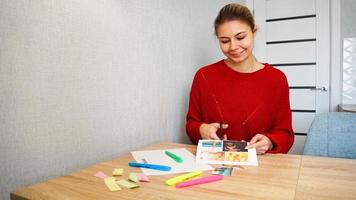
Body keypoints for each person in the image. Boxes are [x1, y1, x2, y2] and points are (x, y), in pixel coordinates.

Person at [185, 3, 294, 154]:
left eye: (240, 37)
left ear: (254, 32)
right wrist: (201, 129)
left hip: (262, 170)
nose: (233, 47)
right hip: (214, 167)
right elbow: (191, 124)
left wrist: (269, 142)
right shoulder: (203, 76)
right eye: (224, 41)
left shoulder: (277, 79)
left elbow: (285, 134)